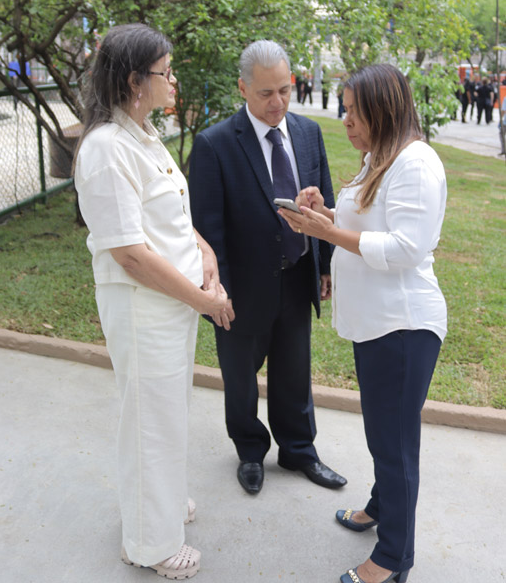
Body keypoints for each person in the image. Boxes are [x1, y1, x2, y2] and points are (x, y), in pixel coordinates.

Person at [279, 64, 447, 583]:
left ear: (382, 108)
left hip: (402, 326)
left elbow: (404, 248)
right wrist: (324, 215)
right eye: (344, 109)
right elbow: (367, 226)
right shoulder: (379, 158)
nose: (345, 119)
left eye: (353, 110)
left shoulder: (415, 163)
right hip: (376, 323)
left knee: (395, 443)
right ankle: (380, 506)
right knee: (383, 434)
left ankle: (394, 557)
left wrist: (327, 235)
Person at [74, 23, 228, 579]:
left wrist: (204, 253)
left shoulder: (142, 135)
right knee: (148, 421)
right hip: (145, 306)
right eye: (166, 71)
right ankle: (148, 542)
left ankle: (157, 507)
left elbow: (171, 219)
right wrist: (205, 300)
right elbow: (131, 254)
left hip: (172, 304)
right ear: (136, 80)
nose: (174, 80)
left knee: (166, 414)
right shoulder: (105, 149)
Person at [189, 40, 347, 496]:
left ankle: (299, 450)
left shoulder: (308, 132)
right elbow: (206, 230)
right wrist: (220, 293)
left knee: (295, 372)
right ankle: (250, 451)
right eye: (265, 93)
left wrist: (325, 264)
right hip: (241, 287)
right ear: (242, 88)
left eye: (284, 89)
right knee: (240, 377)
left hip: (297, 276)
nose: (277, 102)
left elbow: (326, 203)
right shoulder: (215, 144)